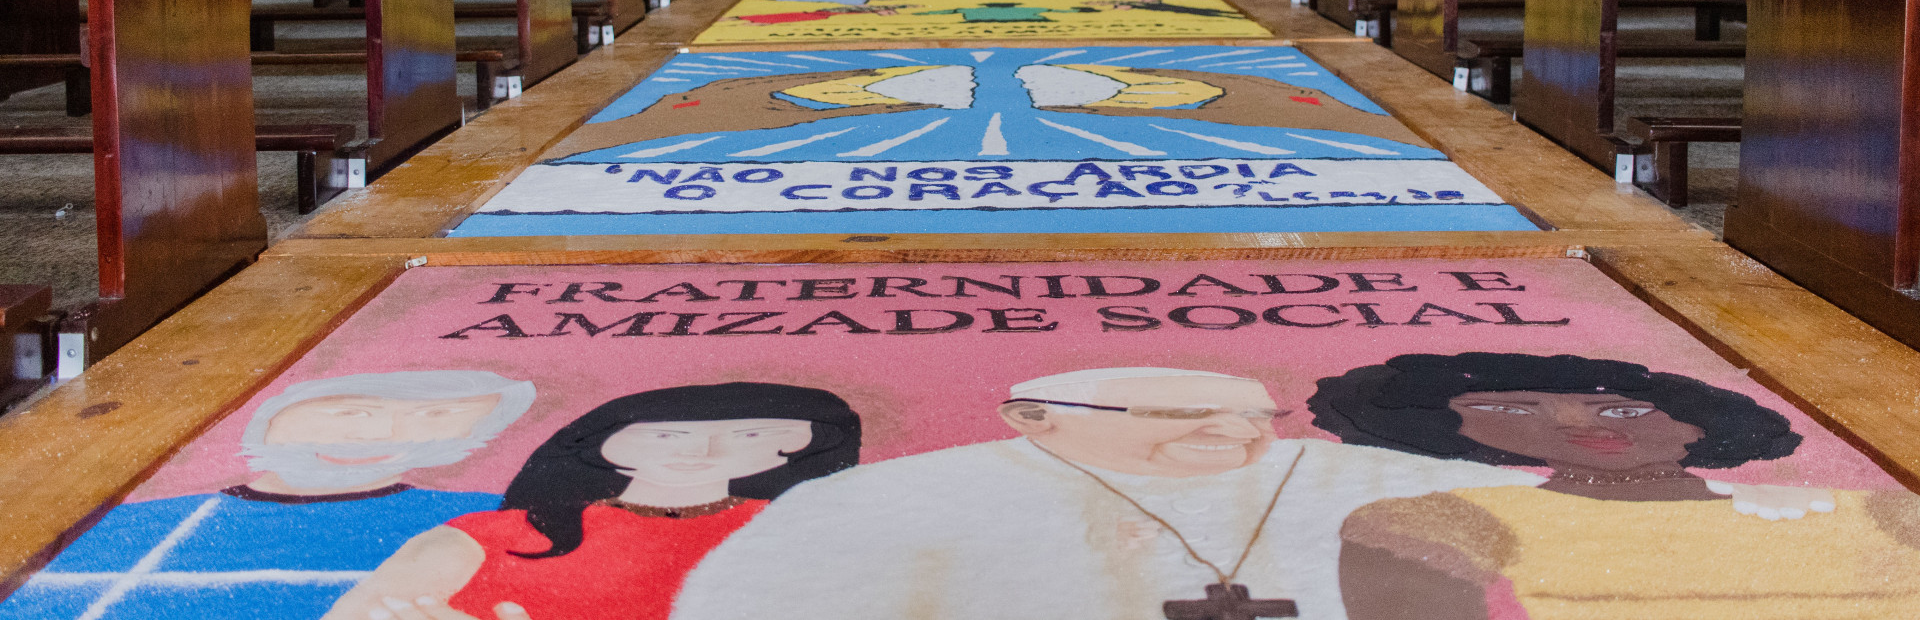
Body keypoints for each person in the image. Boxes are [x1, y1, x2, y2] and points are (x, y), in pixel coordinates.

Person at [669, 366, 1544, 619]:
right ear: (1034, 417)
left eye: (1255, 417)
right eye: (1179, 412)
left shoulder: (1343, 473)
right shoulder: (885, 499)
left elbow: (1552, 514)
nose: (1236, 435)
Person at [1318, 353, 1920, 619]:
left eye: (1623, 411)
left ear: (1693, 421)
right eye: (1515, 411)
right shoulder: (1439, 520)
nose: (1576, 425)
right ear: (1457, 428)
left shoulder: (1873, 509)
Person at [1, 371, 535, 620]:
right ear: (266, 420)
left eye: (434, 420)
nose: (374, 434)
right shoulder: (129, 527)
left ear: (472, 440)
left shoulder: (484, 524)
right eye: (352, 411)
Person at [326, 382, 860, 620]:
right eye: (664, 435)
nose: (704, 450)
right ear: (601, 441)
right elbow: (368, 612)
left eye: (752, 435)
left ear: (803, 445)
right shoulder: (491, 536)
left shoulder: (798, 536)